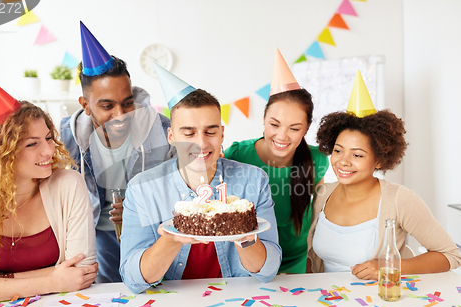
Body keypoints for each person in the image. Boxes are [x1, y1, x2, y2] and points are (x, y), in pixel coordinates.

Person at [119, 64, 281, 293]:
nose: (201, 143)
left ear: (222, 133)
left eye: (210, 132)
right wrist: (172, 239)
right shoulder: (142, 189)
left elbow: (268, 271)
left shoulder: (253, 181)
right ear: (172, 136)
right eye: (189, 133)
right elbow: (133, 280)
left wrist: (244, 236)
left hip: (237, 301)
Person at [307, 71, 461, 279]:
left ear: (379, 160)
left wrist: (388, 266)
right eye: (338, 150)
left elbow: (450, 255)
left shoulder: (400, 199)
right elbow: (312, 261)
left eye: (357, 155)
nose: (343, 161)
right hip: (329, 305)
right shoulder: (323, 195)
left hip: (381, 305)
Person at [0, 68, 97, 304]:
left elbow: (81, 273)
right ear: (0, 153)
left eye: (48, 138)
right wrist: (53, 280)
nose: (49, 149)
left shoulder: (68, 185)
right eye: (32, 144)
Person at [60, 22, 175, 283]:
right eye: (107, 106)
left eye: (127, 103)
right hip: (96, 239)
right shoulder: (65, 137)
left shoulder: (164, 130)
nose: (120, 116)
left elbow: (185, 190)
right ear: (85, 105)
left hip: (153, 234)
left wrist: (140, 210)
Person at [225, 49, 329, 274]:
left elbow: (322, 216)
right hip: (250, 261)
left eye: (294, 129)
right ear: (263, 120)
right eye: (274, 124)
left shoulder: (318, 160)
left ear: (307, 129)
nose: (282, 136)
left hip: (297, 261)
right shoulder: (237, 155)